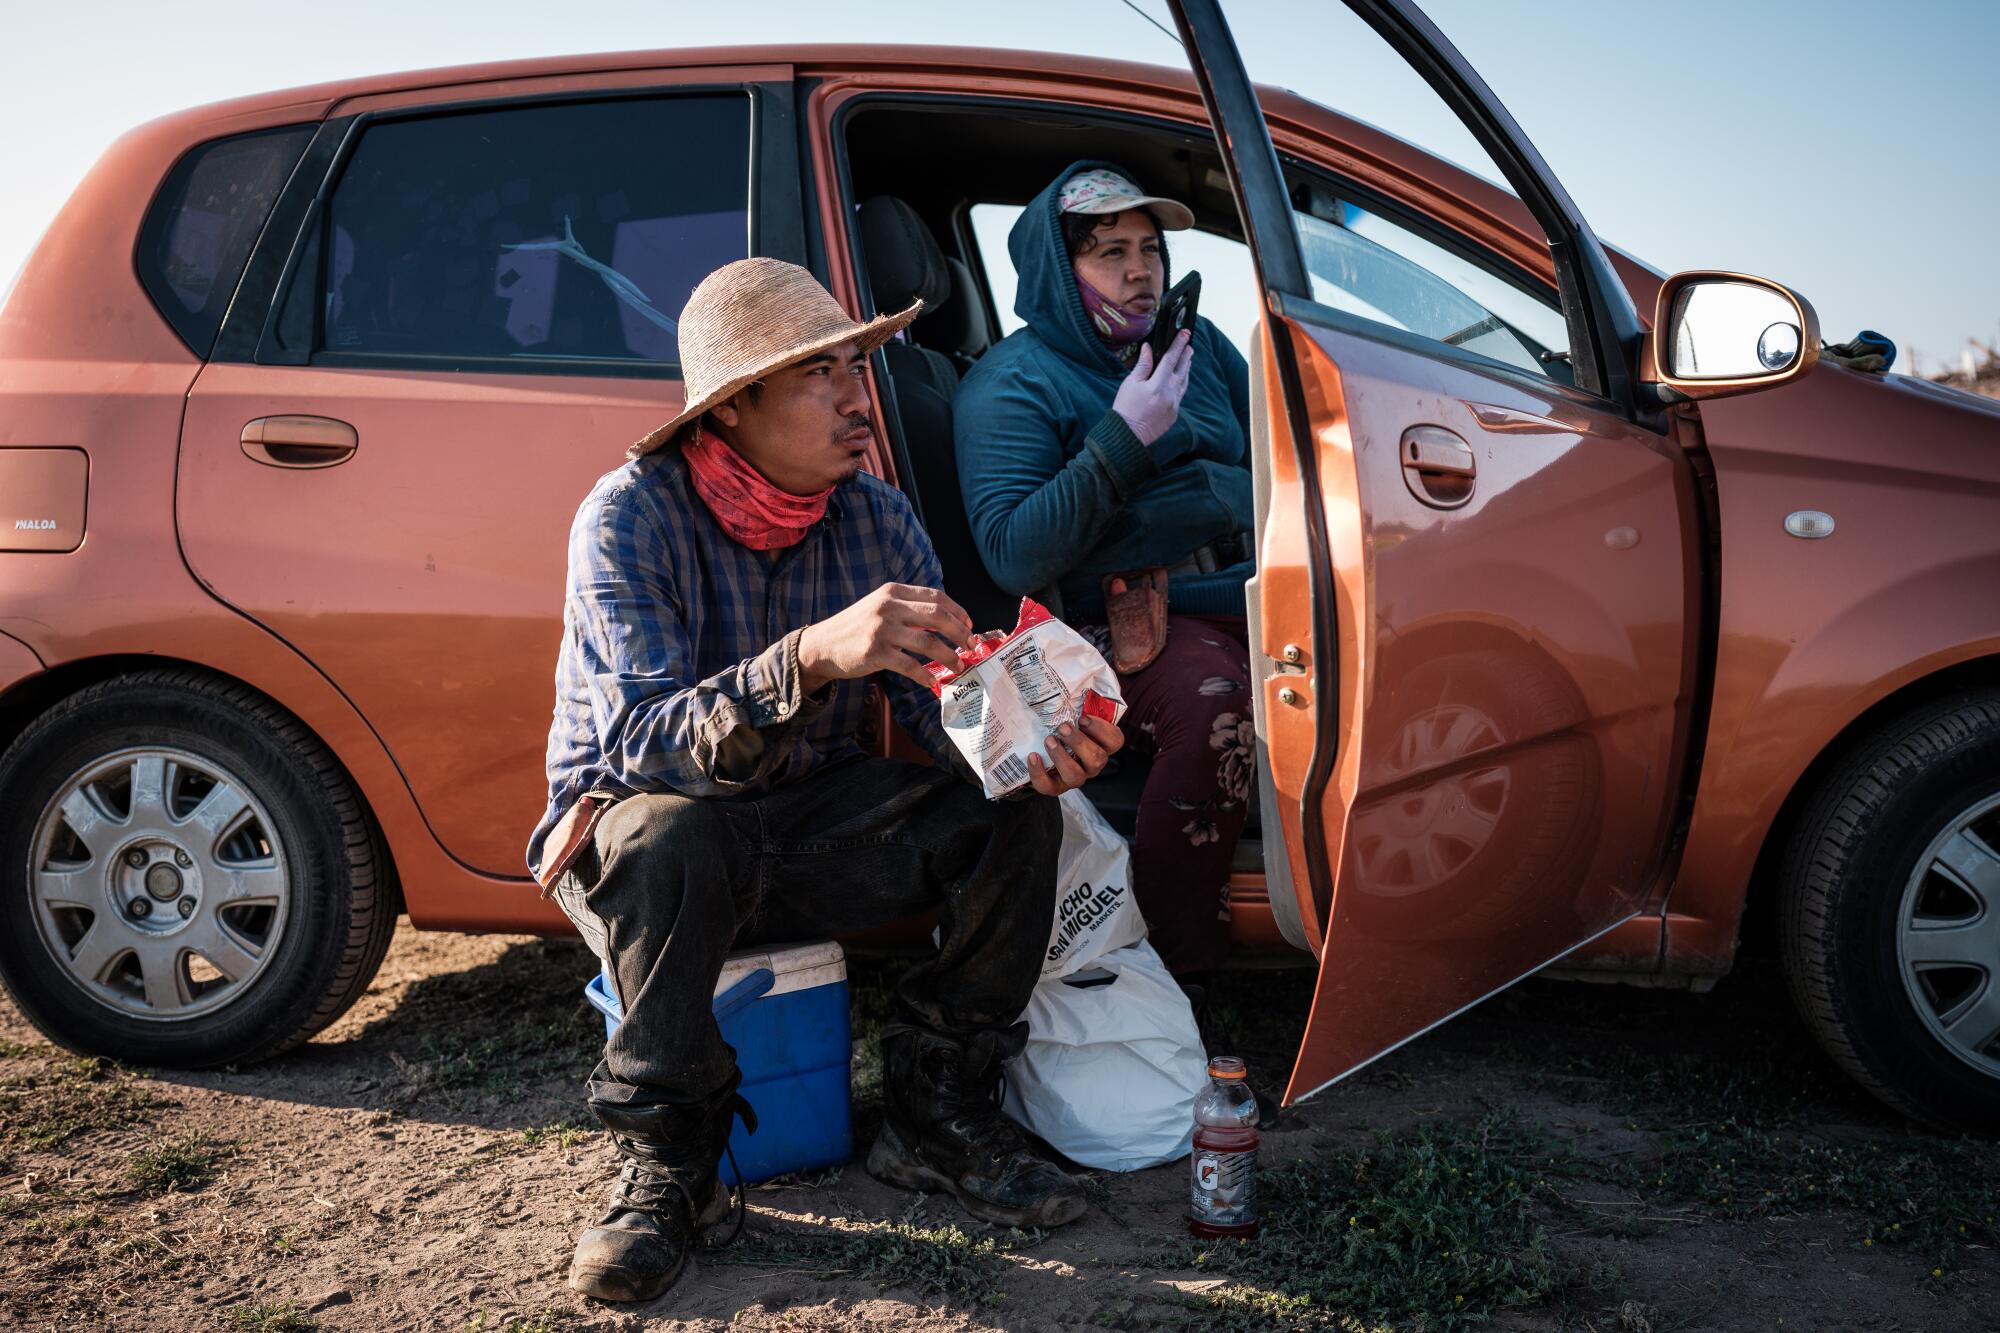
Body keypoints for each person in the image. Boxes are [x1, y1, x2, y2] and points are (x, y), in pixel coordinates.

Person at [528, 257, 1125, 1304]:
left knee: (1013, 816)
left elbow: (936, 726)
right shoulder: (629, 516)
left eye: (859, 366)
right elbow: (636, 743)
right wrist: (806, 658)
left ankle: (933, 1113)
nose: (860, 398)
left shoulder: (879, 520)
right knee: (671, 832)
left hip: (805, 827)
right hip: (646, 837)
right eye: (821, 374)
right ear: (736, 405)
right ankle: (671, 1162)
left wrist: (1026, 742)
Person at [953, 163, 1255, 984]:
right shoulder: (1012, 384)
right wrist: (1125, 436)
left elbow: (1274, 460)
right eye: (1108, 251)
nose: (1139, 270)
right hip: (1105, 618)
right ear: (1060, 267)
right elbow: (1014, 553)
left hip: (1237, 587)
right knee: (1217, 706)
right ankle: (1167, 970)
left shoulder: (1196, 347)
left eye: (1150, 249)